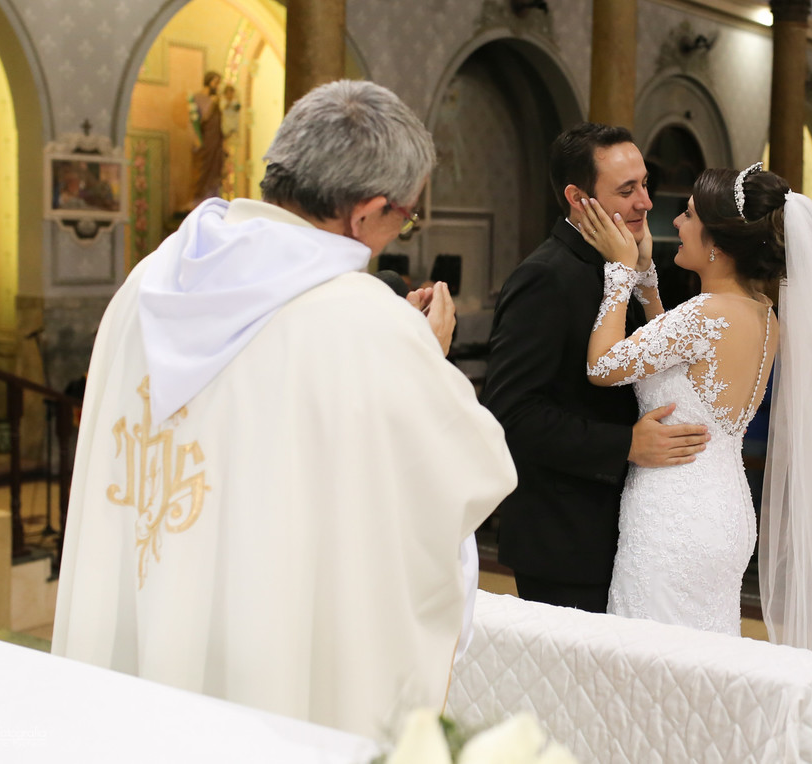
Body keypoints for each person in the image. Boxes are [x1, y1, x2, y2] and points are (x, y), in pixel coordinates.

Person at [51, 81, 518, 740]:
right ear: (367, 212)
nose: (397, 232)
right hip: (262, 657)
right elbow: (467, 476)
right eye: (404, 218)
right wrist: (426, 353)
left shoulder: (145, 286)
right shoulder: (366, 322)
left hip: (141, 639)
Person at [576, 163, 812, 758]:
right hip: (723, 508)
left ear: (715, 243)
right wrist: (646, 283)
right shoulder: (762, 319)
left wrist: (617, 275)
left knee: (652, 677)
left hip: (674, 514)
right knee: (702, 676)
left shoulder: (708, 315)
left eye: (687, 214)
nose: (675, 222)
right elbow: (675, 350)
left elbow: (605, 363)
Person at [483, 122, 710, 613]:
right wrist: (625, 443)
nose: (646, 203)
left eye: (645, 184)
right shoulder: (544, 277)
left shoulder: (629, 265)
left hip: (632, 532)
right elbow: (510, 414)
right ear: (577, 197)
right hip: (566, 539)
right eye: (627, 190)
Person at [188, 71, 226, 205]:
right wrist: (212, 104)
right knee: (203, 170)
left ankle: (213, 196)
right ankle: (199, 198)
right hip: (206, 141)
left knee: (216, 170)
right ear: (209, 82)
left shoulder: (215, 99)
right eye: (216, 83)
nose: (217, 86)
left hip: (216, 141)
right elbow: (201, 119)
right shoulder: (199, 98)